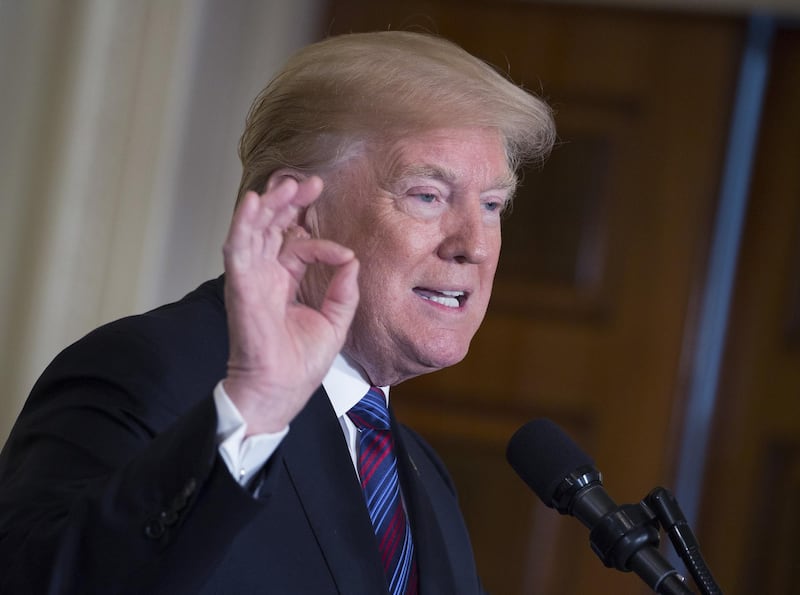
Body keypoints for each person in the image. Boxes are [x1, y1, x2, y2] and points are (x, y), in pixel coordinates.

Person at [0, 30, 555, 594]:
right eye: (427, 195)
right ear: (296, 213)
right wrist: (254, 411)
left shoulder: (424, 477)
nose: (475, 245)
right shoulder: (147, 371)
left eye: (491, 205)